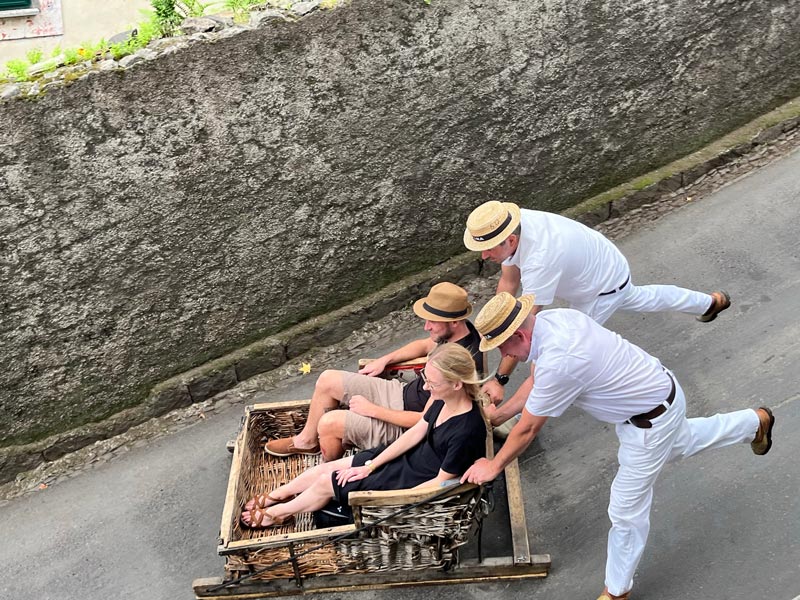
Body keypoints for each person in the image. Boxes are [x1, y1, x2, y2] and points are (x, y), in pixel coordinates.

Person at [462, 292, 775, 600]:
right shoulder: (552, 319)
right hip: (660, 392)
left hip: (648, 424)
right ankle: (753, 423)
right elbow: (535, 383)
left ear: (517, 334)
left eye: (502, 345)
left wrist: (493, 465)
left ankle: (616, 592)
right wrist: (501, 414)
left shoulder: (561, 360)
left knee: (625, 510)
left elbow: (528, 428)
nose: (506, 354)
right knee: (682, 442)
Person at [464, 200, 731, 404]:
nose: (485, 256)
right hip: (604, 262)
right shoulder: (508, 224)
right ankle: (709, 303)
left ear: (510, 240)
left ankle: (526, 410)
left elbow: (522, 330)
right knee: (639, 297)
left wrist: (500, 379)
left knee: (553, 352)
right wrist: (490, 331)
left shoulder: (540, 257)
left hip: (598, 290)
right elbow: (508, 284)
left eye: (488, 250)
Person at [242, 343, 489, 528]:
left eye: (432, 384)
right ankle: (279, 494)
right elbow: (414, 434)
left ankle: (280, 513)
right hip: (407, 458)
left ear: (457, 384)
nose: (425, 388)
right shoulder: (442, 399)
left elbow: (438, 483)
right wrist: (371, 465)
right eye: (426, 379)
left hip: (411, 478)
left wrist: (390, 501)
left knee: (327, 482)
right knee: (328, 469)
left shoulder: (466, 430)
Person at [265, 282, 484, 461]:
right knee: (327, 379)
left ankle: (331, 473)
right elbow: (424, 345)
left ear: (455, 321)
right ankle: (307, 441)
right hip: (400, 393)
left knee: (329, 423)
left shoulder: (460, 362)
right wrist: (384, 359)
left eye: (432, 322)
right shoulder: (453, 333)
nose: (426, 326)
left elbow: (422, 420)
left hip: (403, 427)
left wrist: (371, 410)